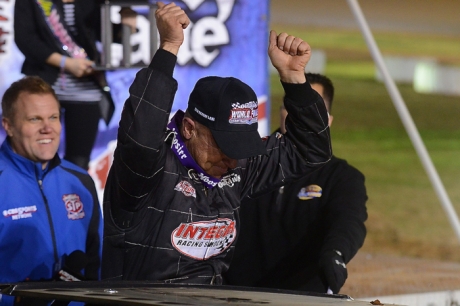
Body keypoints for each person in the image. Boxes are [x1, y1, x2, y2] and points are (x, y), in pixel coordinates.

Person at [101, 2, 332, 285]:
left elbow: (310, 151)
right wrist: (169, 46)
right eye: (224, 145)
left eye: (239, 146)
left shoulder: (237, 166)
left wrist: (294, 80)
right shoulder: (148, 169)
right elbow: (140, 137)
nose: (232, 160)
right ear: (189, 127)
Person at [224, 73, 368, 294]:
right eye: (291, 107)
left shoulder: (343, 177)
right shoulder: (243, 162)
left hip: (303, 296)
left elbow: (349, 221)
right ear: (281, 112)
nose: (300, 116)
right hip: (234, 294)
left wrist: (336, 254)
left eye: (312, 110)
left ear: (328, 120)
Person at [0, 76, 103, 304]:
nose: (47, 128)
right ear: (9, 126)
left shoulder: (80, 181)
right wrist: (16, 301)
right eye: (34, 119)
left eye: (53, 117)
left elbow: (98, 264)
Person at [13, 0, 136, 170]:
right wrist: (66, 63)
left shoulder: (91, 3)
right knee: (35, 159)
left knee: (78, 163)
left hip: (86, 89)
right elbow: (26, 39)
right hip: (43, 89)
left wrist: (127, 25)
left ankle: (73, 195)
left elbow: (103, 33)